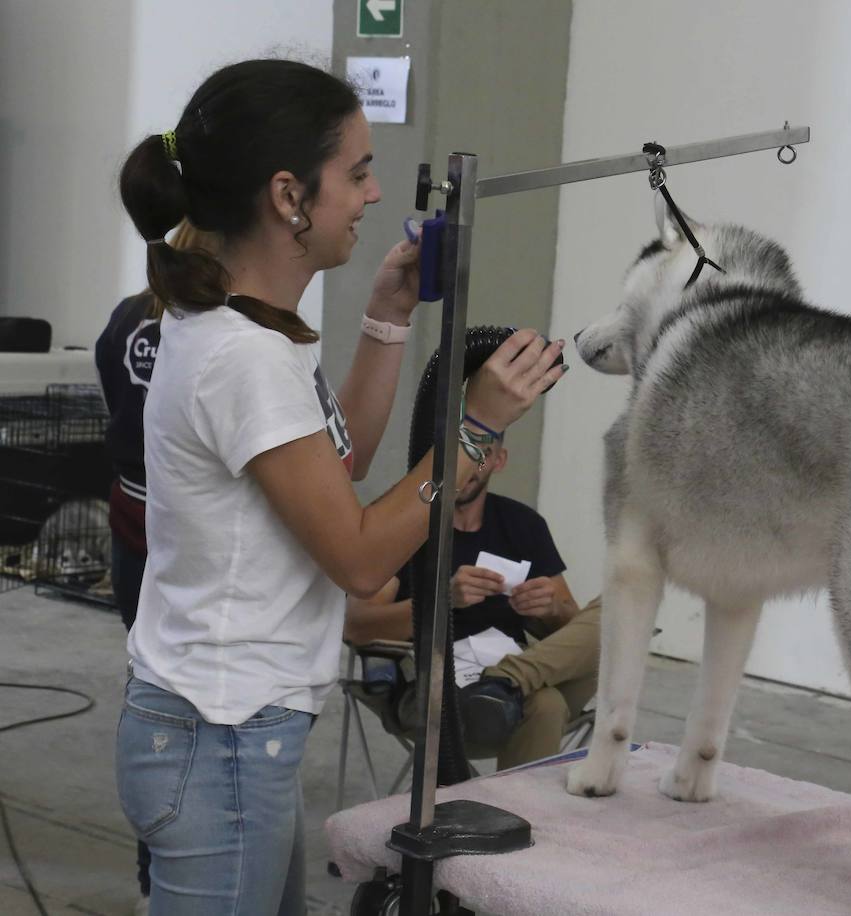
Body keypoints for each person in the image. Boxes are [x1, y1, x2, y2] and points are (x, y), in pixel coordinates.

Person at [113, 58, 566, 915]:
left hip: (227, 734)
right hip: (219, 739)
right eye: (356, 172)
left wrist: (387, 319)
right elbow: (358, 558)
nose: (372, 192)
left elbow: (338, 462)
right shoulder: (241, 355)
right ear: (289, 195)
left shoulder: (254, 327)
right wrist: (476, 427)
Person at [343, 429, 600, 770]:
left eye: (478, 454)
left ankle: (506, 680)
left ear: (498, 460)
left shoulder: (523, 525)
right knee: (546, 705)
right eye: (454, 453)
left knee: (620, 616)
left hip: (519, 673)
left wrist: (552, 609)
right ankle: (515, 814)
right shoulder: (406, 528)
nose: (464, 466)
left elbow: (576, 634)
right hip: (436, 692)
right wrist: (441, 600)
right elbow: (356, 628)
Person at [94, 218, 217, 910]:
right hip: (175, 532)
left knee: (151, 689)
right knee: (183, 710)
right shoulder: (217, 334)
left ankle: (155, 882)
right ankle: (165, 878)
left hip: (132, 519)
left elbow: (115, 406)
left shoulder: (124, 318)